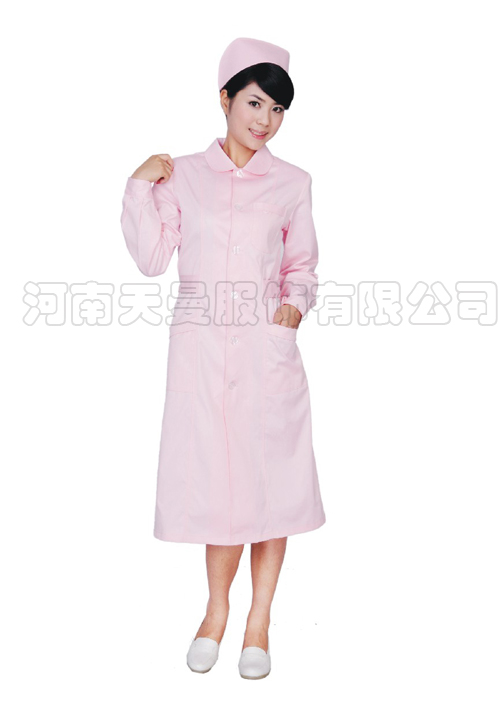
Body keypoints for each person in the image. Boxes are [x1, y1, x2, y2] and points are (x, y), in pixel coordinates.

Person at [120, 37, 326, 680]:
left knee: (273, 488)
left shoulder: (293, 183)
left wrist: (289, 313)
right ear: (225, 98)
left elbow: (302, 266)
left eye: (278, 109)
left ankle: (258, 621)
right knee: (219, 488)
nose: (265, 120)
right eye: (255, 103)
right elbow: (152, 259)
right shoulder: (183, 176)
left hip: (267, 355)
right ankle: (216, 612)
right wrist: (139, 186)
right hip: (203, 355)